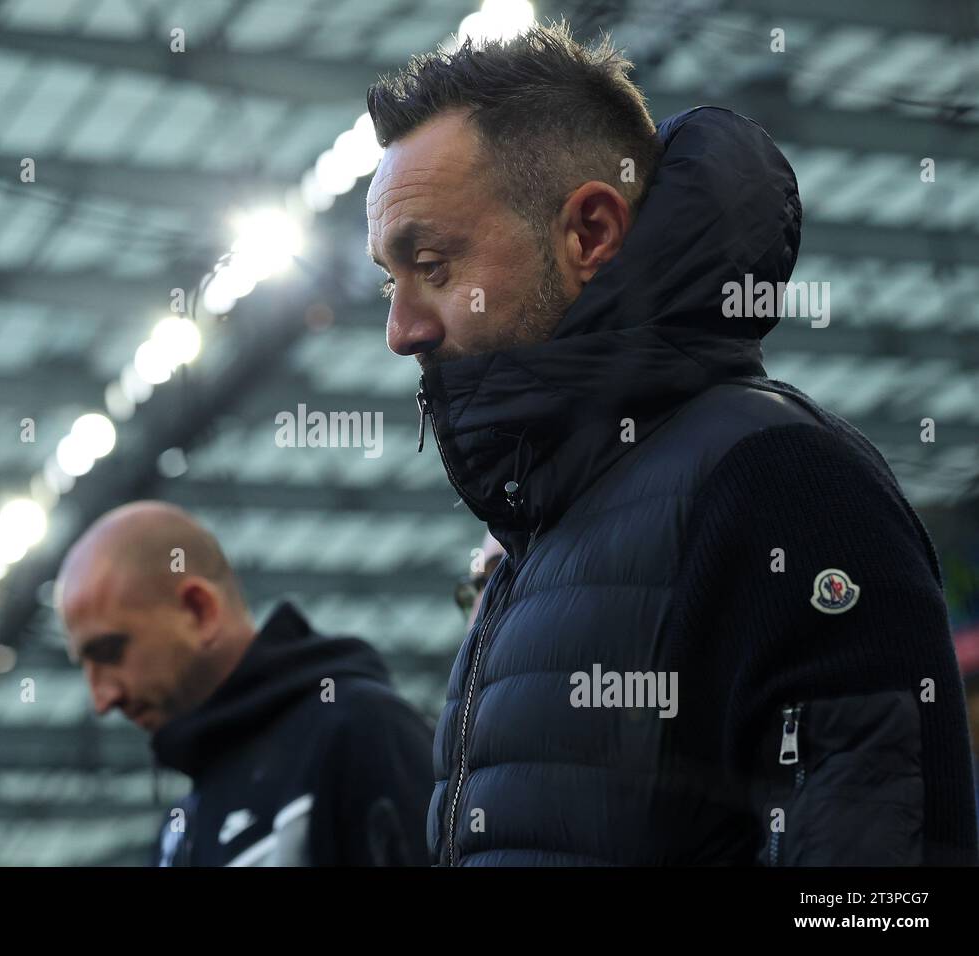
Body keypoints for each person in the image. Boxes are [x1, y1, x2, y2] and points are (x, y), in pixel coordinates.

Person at [364, 21, 978, 865]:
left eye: (430, 264)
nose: (399, 331)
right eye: (387, 281)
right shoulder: (533, 553)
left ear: (589, 234)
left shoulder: (781, 484)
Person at [55, 500, 434, 866]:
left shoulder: (360, 730)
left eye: (108, 651)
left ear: (199, 611)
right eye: (84, 665)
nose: (101, 699)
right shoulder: (179, 832)